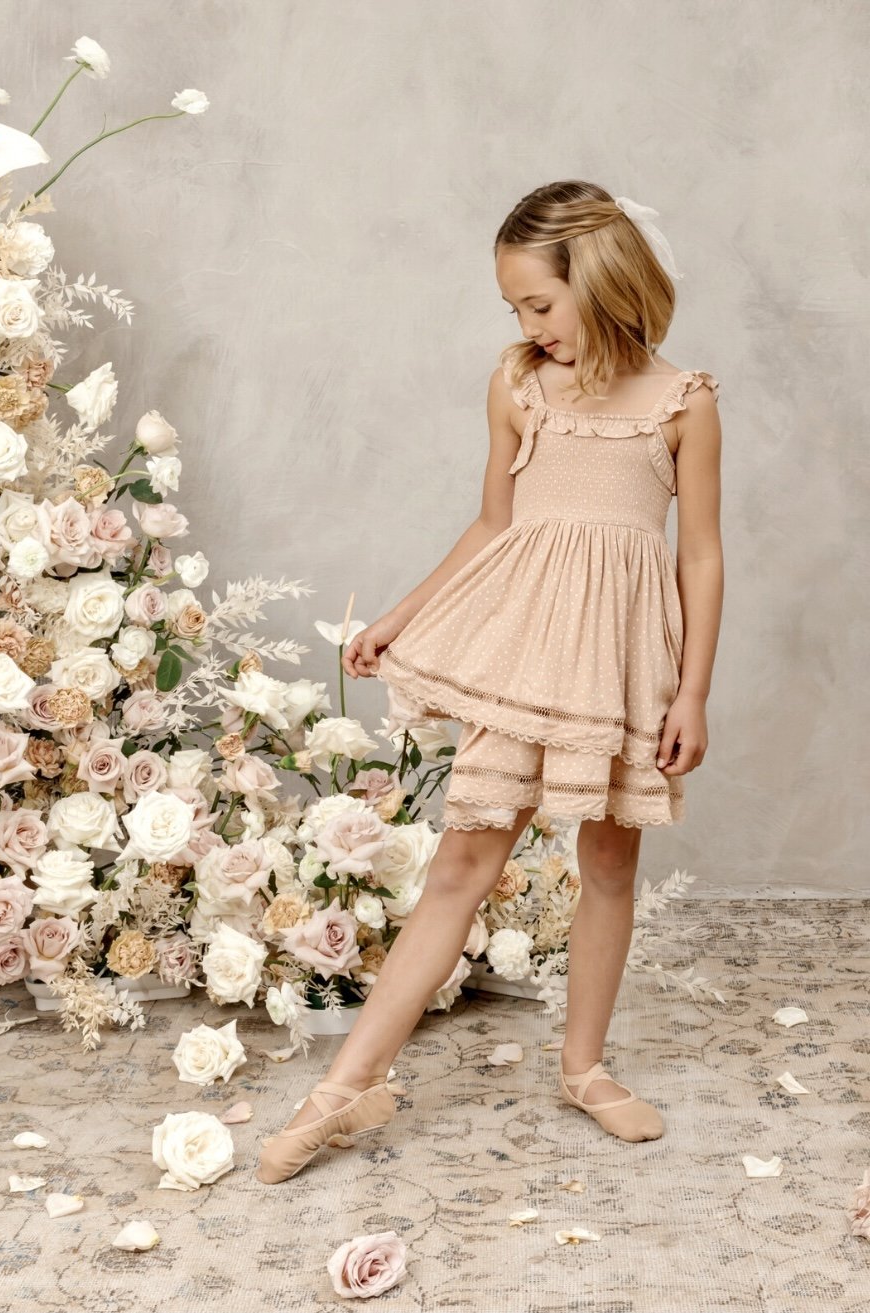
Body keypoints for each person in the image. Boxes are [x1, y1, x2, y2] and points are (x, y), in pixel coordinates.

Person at [256, 179, 723, 1185]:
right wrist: (399, 615)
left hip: (623, 663)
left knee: (609, 861)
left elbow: (699, 556)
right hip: (527, 652)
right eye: (513, 308)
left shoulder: (682, 403)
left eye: (539, 304)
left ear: (601, 280)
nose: (526, 326)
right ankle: (340, 1088)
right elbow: (493, 524)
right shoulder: (517, 386)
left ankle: (584, 1066)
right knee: (463, 863)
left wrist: (690, 692)